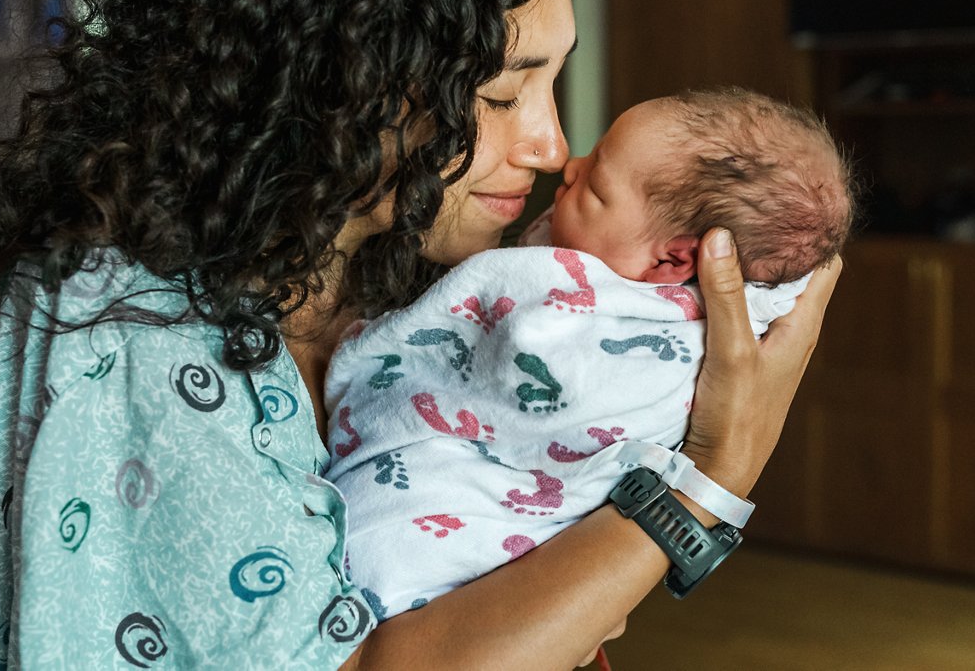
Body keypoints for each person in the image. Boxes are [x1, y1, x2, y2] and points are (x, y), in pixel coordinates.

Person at [0, 0, 840, 667]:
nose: (553, 147)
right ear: (350, 76)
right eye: (502, 94)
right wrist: (705, 486)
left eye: (553, 84)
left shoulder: (407, 283)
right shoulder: (146, 328)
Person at [325, 88, 853, 617]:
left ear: (672, 261)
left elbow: (545, 377)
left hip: (451, 544)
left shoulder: (665, 346)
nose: (569, 165)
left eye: (596, 186)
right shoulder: (605, 264)